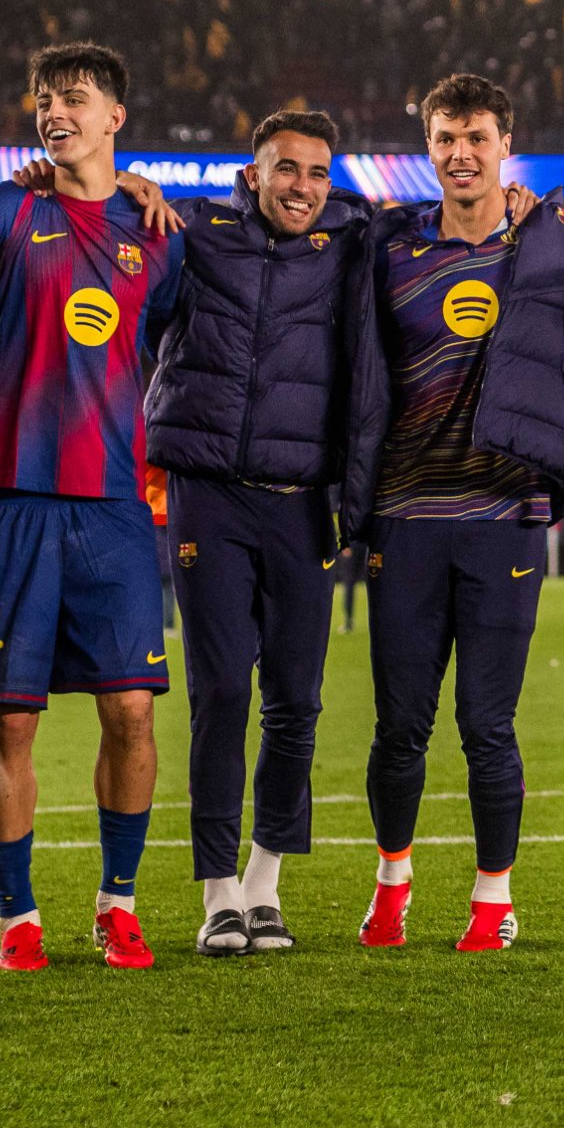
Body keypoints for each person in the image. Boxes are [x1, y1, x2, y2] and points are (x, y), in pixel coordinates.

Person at [0, 42, 188, 971]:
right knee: (10, 721)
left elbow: (171, 337)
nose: (55, 112)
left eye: (75, 98)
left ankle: (117, 902)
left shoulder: (157, 234)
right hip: (8, 498)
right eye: (45, 98)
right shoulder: (7, 207)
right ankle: (18, 917)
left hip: (113, 505)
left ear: (114, 118)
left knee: (131, 711)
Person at [336, 74, 564, 953]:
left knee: (487, 725)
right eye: (446, 138)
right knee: (399, 726)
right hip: (405, 516)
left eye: (477, 137)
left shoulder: (559, 249)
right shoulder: (391, 245)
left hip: (506, 515)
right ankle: (392, 883)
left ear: (507, 145)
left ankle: (493, 900)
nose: (461, 153)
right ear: (428, 147)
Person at [141, 109, 372, 958]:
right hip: (208, 495)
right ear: (252, 174)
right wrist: (128, 185)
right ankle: (218, 893)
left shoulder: (351, 240)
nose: (301, 186)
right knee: (220, 693)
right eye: (285, 168)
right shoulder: (198, 234)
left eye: (316, 172)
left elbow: (449, 219)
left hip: (303, 499)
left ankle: (265, 884)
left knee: (296, 699)